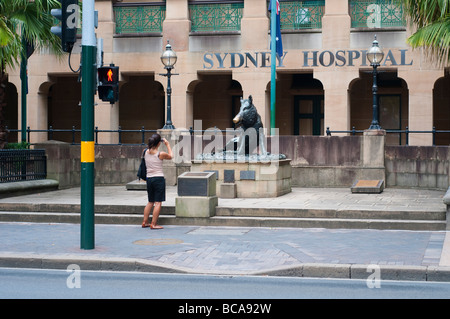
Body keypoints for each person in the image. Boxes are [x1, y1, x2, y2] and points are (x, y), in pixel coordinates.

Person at [141, 133, 173, 229]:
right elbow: (171, 156)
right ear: (159, 143)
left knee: (150, 201)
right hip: (158, 179)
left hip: (149, 179)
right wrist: (168, 144)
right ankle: (153, 224)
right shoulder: (160, 154)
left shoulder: (145, 151)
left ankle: (144, 222)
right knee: (158, 202)